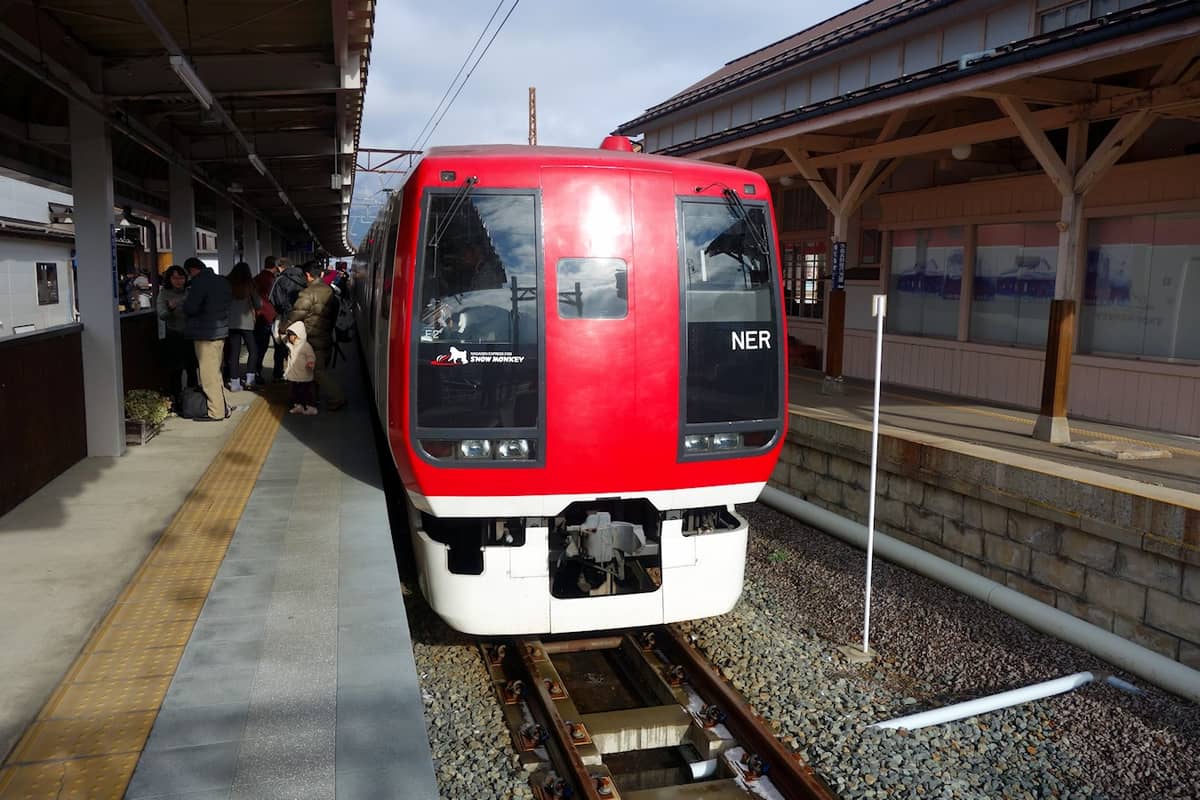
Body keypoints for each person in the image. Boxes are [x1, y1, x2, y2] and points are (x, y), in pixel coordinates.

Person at [286, 261, 345, 411]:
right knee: (317, 370)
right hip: (326, 335)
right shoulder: (329, 290)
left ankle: (338, 397)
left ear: (308, 275)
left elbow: (296, 315)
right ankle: (313, 400)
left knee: (318, 372)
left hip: (312, 338)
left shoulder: (307, 293)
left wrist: (282, 328)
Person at [182, 257, 233, 421]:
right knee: (216, 372)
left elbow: (191, 307)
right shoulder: (222, 281)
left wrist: (183, 304)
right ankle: (223, 408)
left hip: (205, 334)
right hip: (220, 332)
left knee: (208, 374)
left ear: (191, 270)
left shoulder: (199, 282)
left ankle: (215, 412)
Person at [156, 264, 197, 400]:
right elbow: (162, 315)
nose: (179, 281)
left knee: (192, 368)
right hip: (174, 335)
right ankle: (177, 398)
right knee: (176, 370)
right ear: (169, 279)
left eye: (181, 278)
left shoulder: (190, 292)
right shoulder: (164, 293)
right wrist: (170, 308)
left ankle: (193, 398)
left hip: (191, 335)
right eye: (175, 278)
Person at [225, 262, 262, 391]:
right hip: (247, 323)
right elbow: (258, 304)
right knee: (253, 350)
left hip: (231, 322)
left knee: (234, 352)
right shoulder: (249, 284)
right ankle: (250, 380)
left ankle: (234, 382)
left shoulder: (227, 283)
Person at [282, 320, 318, 415]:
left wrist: (310, 362)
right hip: (293, 375)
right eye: (289, 335)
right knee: (294, 393)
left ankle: (311, 407)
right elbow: (282, 338)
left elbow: (311, 355)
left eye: (291, 335)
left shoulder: (305, 346)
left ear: (298, 335)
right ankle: (298, 406)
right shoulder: (290, 345)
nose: (290, 337)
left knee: (306, 392)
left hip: (304, 374)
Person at [252, 256, 278, 383]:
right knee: (263, 345)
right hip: (268, 315)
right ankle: (257, 371)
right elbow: (274, 298)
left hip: (257, 315)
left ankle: (254, 371)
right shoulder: (272, 280)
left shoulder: (256, 278)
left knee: (257, 345)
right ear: (275, 266)